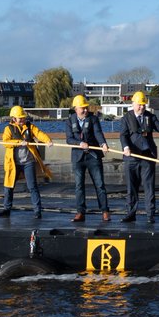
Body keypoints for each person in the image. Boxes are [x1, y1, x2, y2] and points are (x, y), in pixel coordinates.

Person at [118, 91, 159, 223]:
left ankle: (150, 215)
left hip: (147, 157)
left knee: (149, 187)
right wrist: (126, 147)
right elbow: (123, 135)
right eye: (139, 105)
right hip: (132, 158)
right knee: (131, 188)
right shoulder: (126, 118)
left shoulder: (150, 117)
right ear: (133, 104)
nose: (141, 107)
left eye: (143, 105)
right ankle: (131, 213)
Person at [0, 105, 50, 218]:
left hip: (28, 162)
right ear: (14, 118)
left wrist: (47, 140)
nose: (22, 119)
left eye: (23, 117)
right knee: (9, 186)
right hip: (13, 163)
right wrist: (18, 142)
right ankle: (7, 209)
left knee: (32, 186)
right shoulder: (8, 129)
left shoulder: (30, 127)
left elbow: (39, 133)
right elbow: (6, 142)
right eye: (20, 118)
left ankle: (37, 211)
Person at [65, 94, 110, 222]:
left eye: (86, 108)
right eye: (82, 108)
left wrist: (103, 143)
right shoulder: (69, 121)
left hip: (93, 156)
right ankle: (80, 212)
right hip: (78, 158)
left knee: (99, 184)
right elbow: (69, 139)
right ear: (76, 109)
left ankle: (105, 211)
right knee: (79, 186)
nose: (85, 110)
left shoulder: (93, 119)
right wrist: (79, 143)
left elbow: (98, 133)